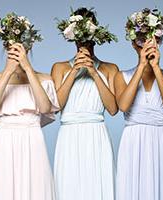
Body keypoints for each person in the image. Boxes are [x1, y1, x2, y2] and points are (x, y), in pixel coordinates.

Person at [0, 43, 59, 200]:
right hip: (5, 138)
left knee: (37, 186)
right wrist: (7, 72)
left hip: (33, 137)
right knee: (4, 186)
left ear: (29, 47)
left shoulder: (44, 79)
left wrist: (28, 69)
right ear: (6, 47)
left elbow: (45, 108)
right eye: (12, 47)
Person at [52, 7, 118, 200]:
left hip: (96, 134)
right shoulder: (60, 67)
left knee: (98, 187)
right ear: (73, 37)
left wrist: (93, 72)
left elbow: (113, 109)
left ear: (96, 35)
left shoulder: (110, 69)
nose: (84, 42)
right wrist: (74, 71)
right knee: (68, 187)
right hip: (69, 136)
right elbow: (56, 107)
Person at [115, 8, 163, 200]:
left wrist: (155, 67)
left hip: (162, 138)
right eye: (140, 43)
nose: (145, 49)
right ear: (133, 44)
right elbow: (123, 106)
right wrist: (141, 66)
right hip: (133, 139)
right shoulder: (121, 76)